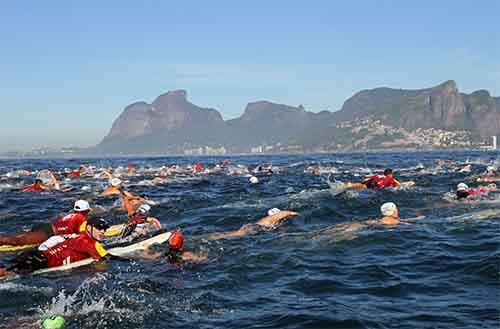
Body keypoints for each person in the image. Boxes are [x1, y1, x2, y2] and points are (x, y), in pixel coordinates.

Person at [0, 218, 115, 278]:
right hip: (39, 260)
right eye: (100, 228)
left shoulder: (79, 237)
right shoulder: (90, 243)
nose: (103, 232)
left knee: (6, 267)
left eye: (105, 229)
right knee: (7, 273)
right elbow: (106, 258)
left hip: (35, 254)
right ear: (89, 227)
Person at [0, 200, 92, 246]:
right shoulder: (81, 219)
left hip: (46, 227)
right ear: (86, 211)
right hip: (48, 233)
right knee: (17, 241)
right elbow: (84, 235)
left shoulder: (71, 215)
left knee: (17, 237)